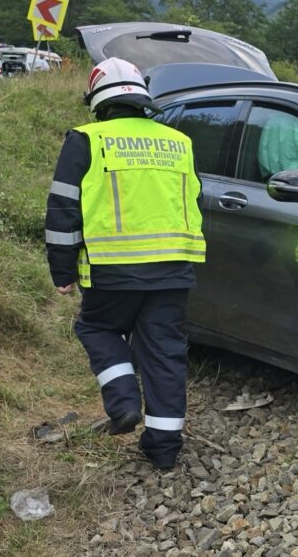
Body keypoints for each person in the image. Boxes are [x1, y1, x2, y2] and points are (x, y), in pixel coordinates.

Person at [45, 57, 205, 470]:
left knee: (96, 327)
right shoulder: (179, 142)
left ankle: (123, 403)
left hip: (111, 270)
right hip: (173, 269)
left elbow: (63, 209)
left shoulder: (86, 139)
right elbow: (195, 201)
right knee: (164, 351)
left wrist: (62, 271)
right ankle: (164, 450)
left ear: (98, 102)